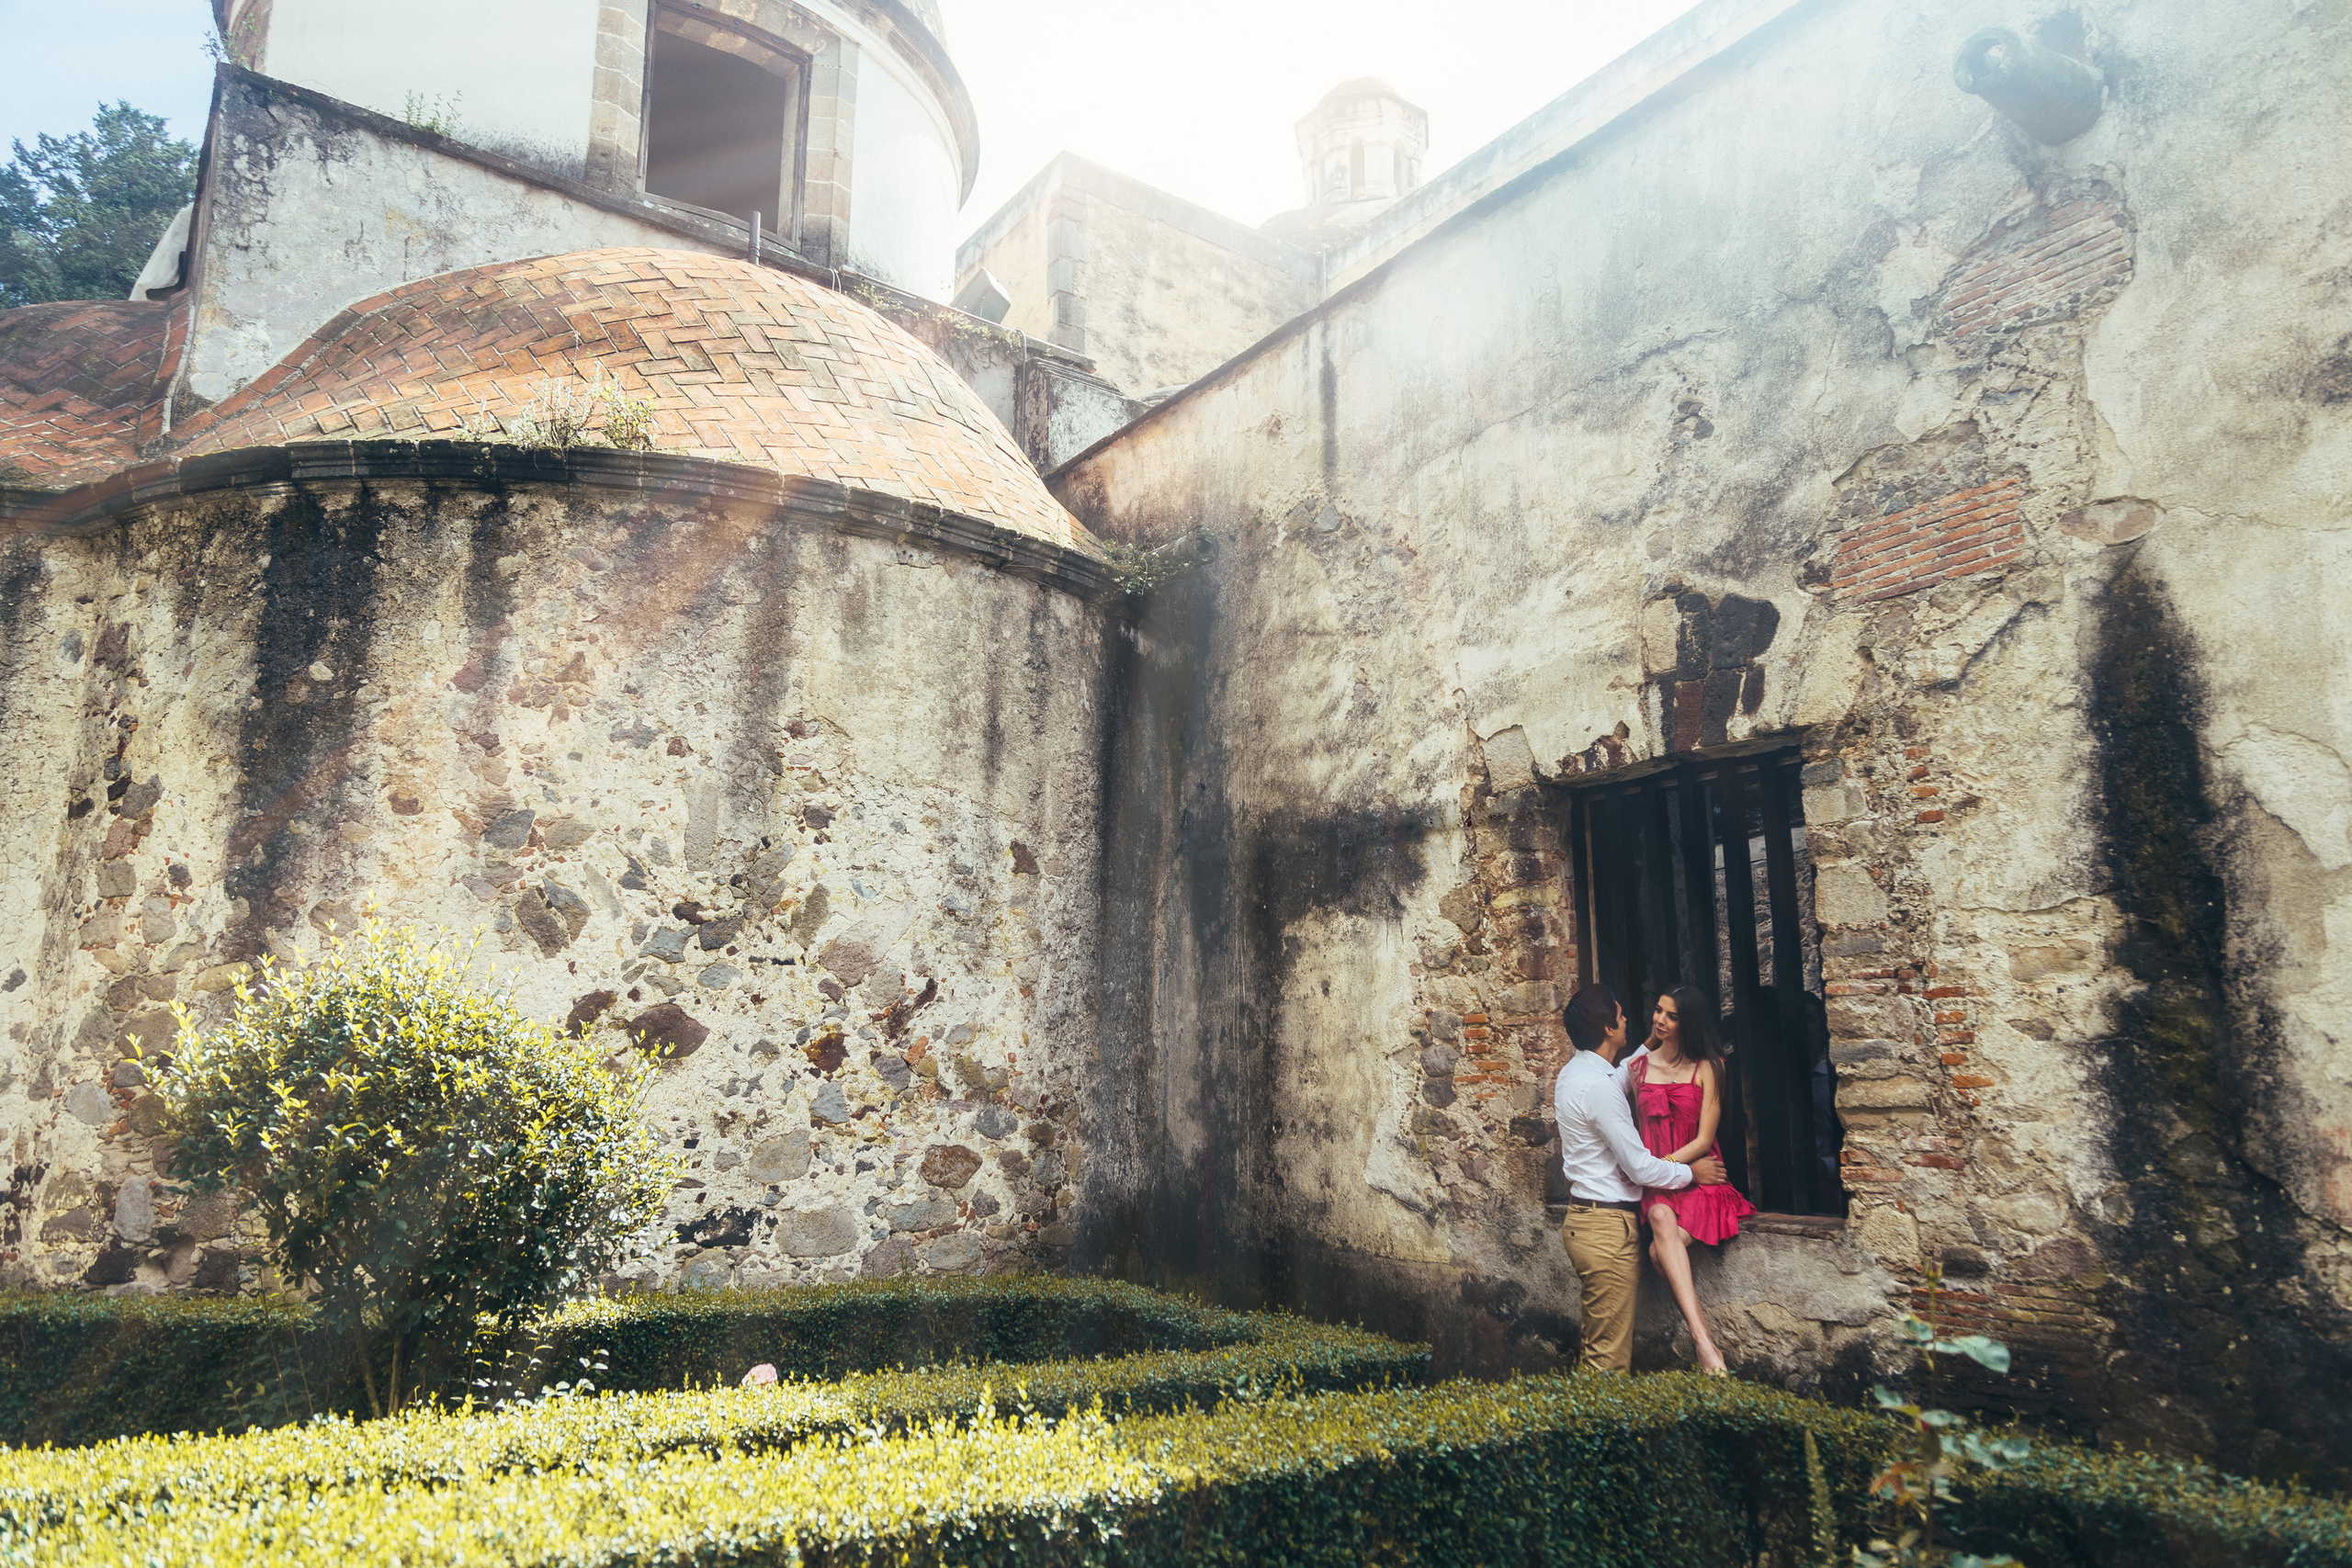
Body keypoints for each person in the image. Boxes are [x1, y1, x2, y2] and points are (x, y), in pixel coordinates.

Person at [1554, 982, 1727, 1372]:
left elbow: (1618, 1076)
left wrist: (1650, 1041)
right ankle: (1593, 1431)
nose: (1628, 1017)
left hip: (1587, 1221)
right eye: (1620, 1015)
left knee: (1597, 1348)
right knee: (1606, 1364)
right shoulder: (1598, 1088)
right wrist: (1691, 1171)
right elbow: (1640, 1167)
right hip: (1606, 1229)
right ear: (1609, 1031)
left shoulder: (1576, 1072)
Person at [1629, 985, 1758, 1375]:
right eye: (1658, 1011)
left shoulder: (1711, 1067)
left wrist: (1667, 1166)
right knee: (1661, 1219)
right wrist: (1661, 1174)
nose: (1660, 1020)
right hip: (1660, 1185)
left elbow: (1704, 1139)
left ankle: (1701, 1346)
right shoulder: (1637, 1068)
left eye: (1671, 1015)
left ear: (1690, 1023)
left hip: (1701, 1177)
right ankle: (1706, 1345)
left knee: (1657, 1253)